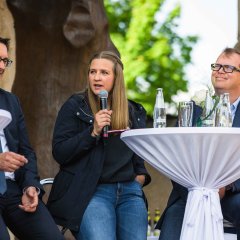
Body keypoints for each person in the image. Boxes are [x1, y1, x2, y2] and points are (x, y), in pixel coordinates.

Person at [47, 50, 151, 240]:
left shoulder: (132, 110)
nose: (96, 77)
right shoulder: (75, 106)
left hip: (129, 191)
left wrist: (140, 176)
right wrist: (92, 132)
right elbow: (60, 152)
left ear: (116, 78)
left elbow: (139, 153)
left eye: (104, 72)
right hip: (92, 192)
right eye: (92, 72)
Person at [157, 47, 240, 240]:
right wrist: (194, 189)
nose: (219, 71)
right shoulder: (193, 108)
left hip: (233, 194)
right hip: (190, 193)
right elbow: (174, 158)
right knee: (172, 226)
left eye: (228, 67)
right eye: (216, 66)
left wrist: (226, 186)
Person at [0, 37, 64, 240]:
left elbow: (26, 151)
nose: (2, 66)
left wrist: (30, 186)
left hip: (12, 189)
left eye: (5, 61)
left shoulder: (11, 101)